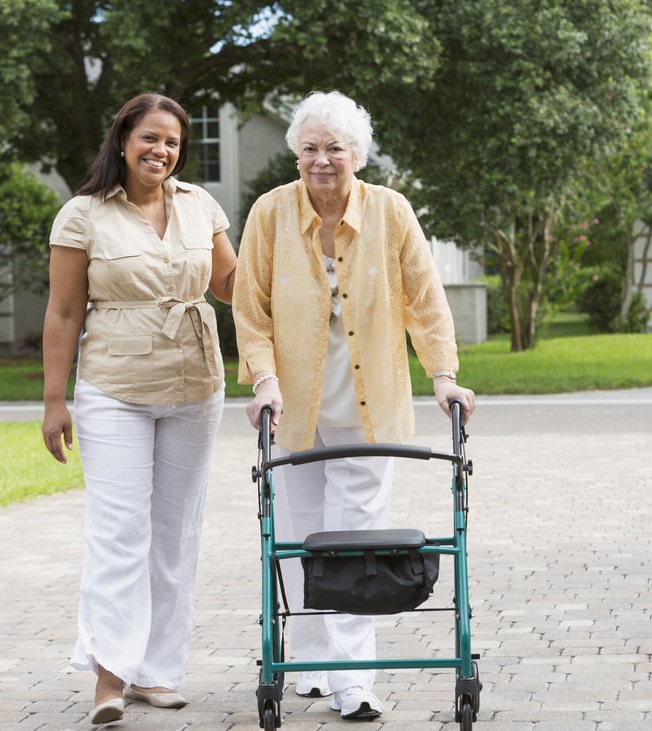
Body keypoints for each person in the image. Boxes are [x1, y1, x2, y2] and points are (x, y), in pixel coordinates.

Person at [232, 90, 476, 721]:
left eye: (334, 148)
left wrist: (443, 377)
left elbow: (426, 301)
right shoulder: (269, 214)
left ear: (356, 155)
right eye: (310, 148)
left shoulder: (391, 212)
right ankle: (312, 662)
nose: (322, 160)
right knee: (299, 541)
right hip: (294, 407)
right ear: (295, 154)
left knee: (355, 545)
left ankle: (352, 681)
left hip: (373, 410)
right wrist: (262, 382)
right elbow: (250, 309)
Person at [41, 92, 237, 726]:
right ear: (123, 139)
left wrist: (300, 258)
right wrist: (53, 401)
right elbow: (65, 312)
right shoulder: (83, 214)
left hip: (195, 386)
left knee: (175, 535)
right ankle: (109, 678)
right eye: (150, 138)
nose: (161, 151)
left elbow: (233, 285)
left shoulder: (199, 206)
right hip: (114, 388)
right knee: (119, 534)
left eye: (173, 142)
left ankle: (156, 673)